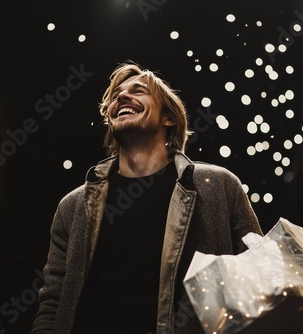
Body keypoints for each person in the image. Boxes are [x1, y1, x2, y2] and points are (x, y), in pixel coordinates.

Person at [31, 61, 263, 334]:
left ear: (169, 118)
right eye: (117, 94)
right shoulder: (73, 207)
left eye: (138, 91)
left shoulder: (218, 187)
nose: (122, 96)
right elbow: (52, 303)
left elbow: (258, 279)